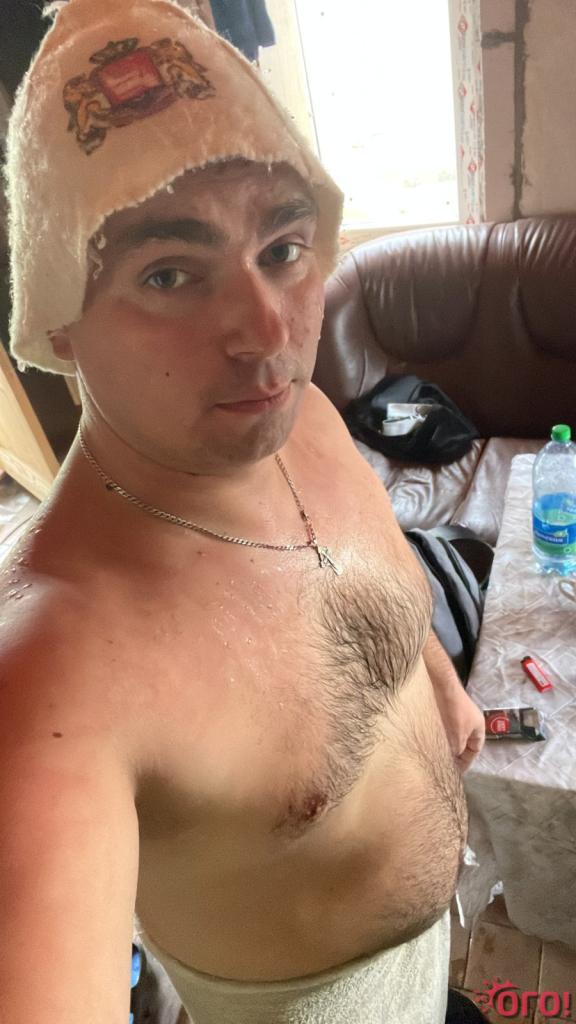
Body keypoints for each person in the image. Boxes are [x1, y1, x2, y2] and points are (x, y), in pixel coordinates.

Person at [0, 1, 486, 1022]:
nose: (267, 333)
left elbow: (379, 569)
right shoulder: (50, 680)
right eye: (169, 273)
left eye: (282, 246)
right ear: (58, 315)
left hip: (432, 962)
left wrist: (441, 690)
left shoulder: (305, 420)